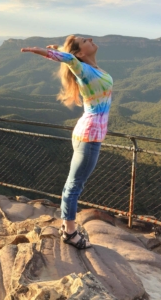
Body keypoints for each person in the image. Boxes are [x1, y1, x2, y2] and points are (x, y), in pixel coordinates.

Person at [21, 35, 113, 250]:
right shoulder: (83, 69)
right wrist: (44, 52)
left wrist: (59, 50)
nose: (90, 39)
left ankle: (68, 228)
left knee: (75, 184)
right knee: (74, 185)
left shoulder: (92, 68)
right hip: (89, 135)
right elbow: (70, 60)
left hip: (90, 133)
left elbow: (70, 58)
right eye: (84, 40)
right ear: (81, 53)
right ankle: (70, 233)